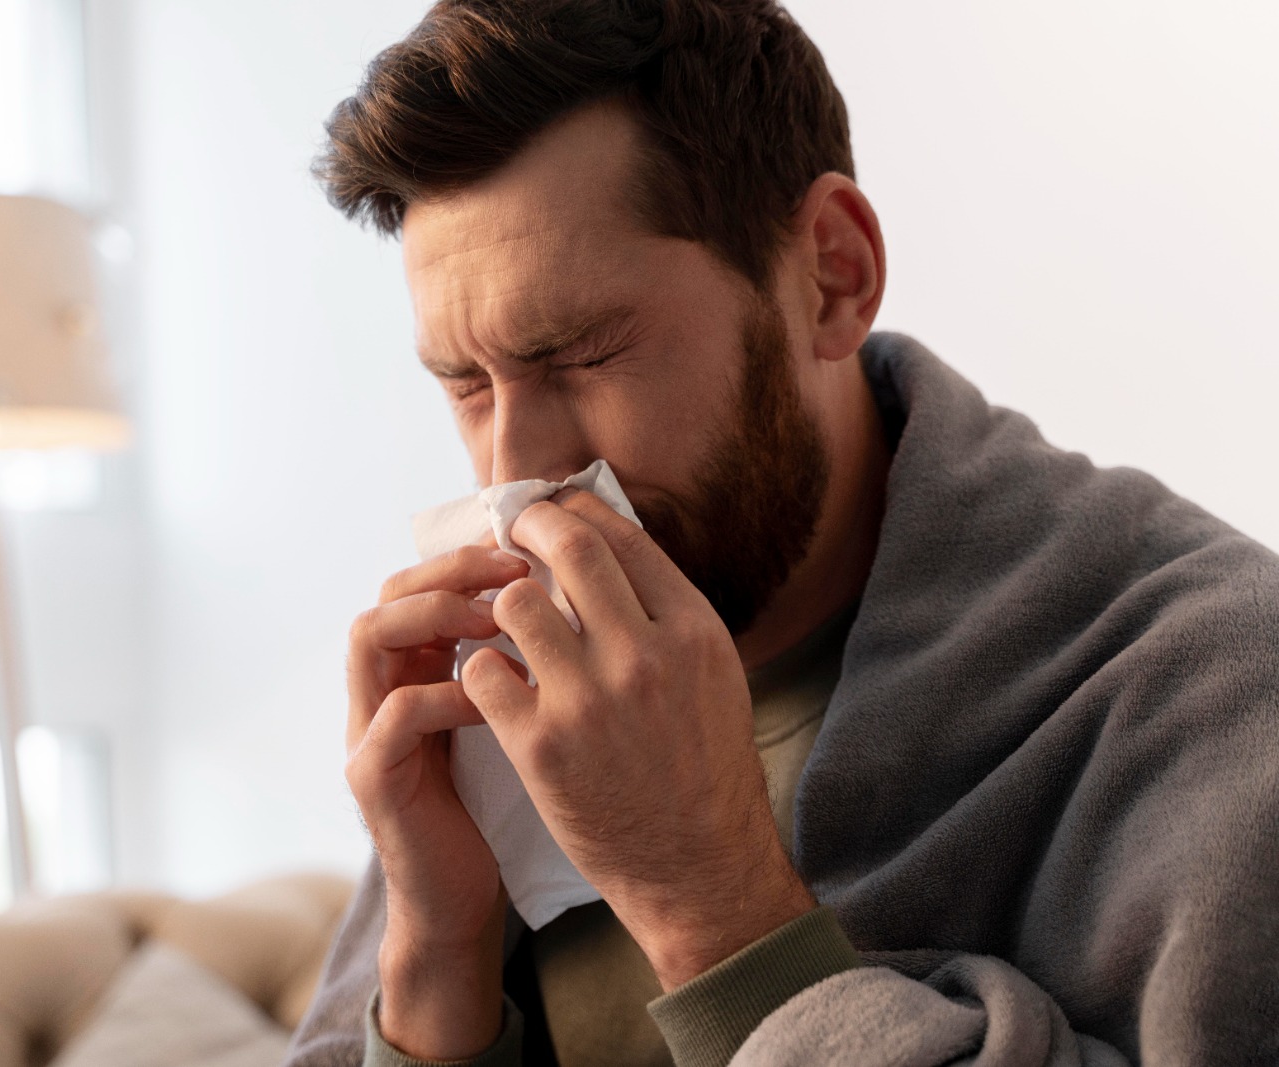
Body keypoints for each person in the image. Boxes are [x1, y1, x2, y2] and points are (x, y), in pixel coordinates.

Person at [285, 2, 1279, 1065]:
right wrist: (434, 949)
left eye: (581, 353)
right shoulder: (511, 691)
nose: (512, 473)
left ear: (831, 276)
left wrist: (711, 908)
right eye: (467, 383)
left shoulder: (1220, 692)